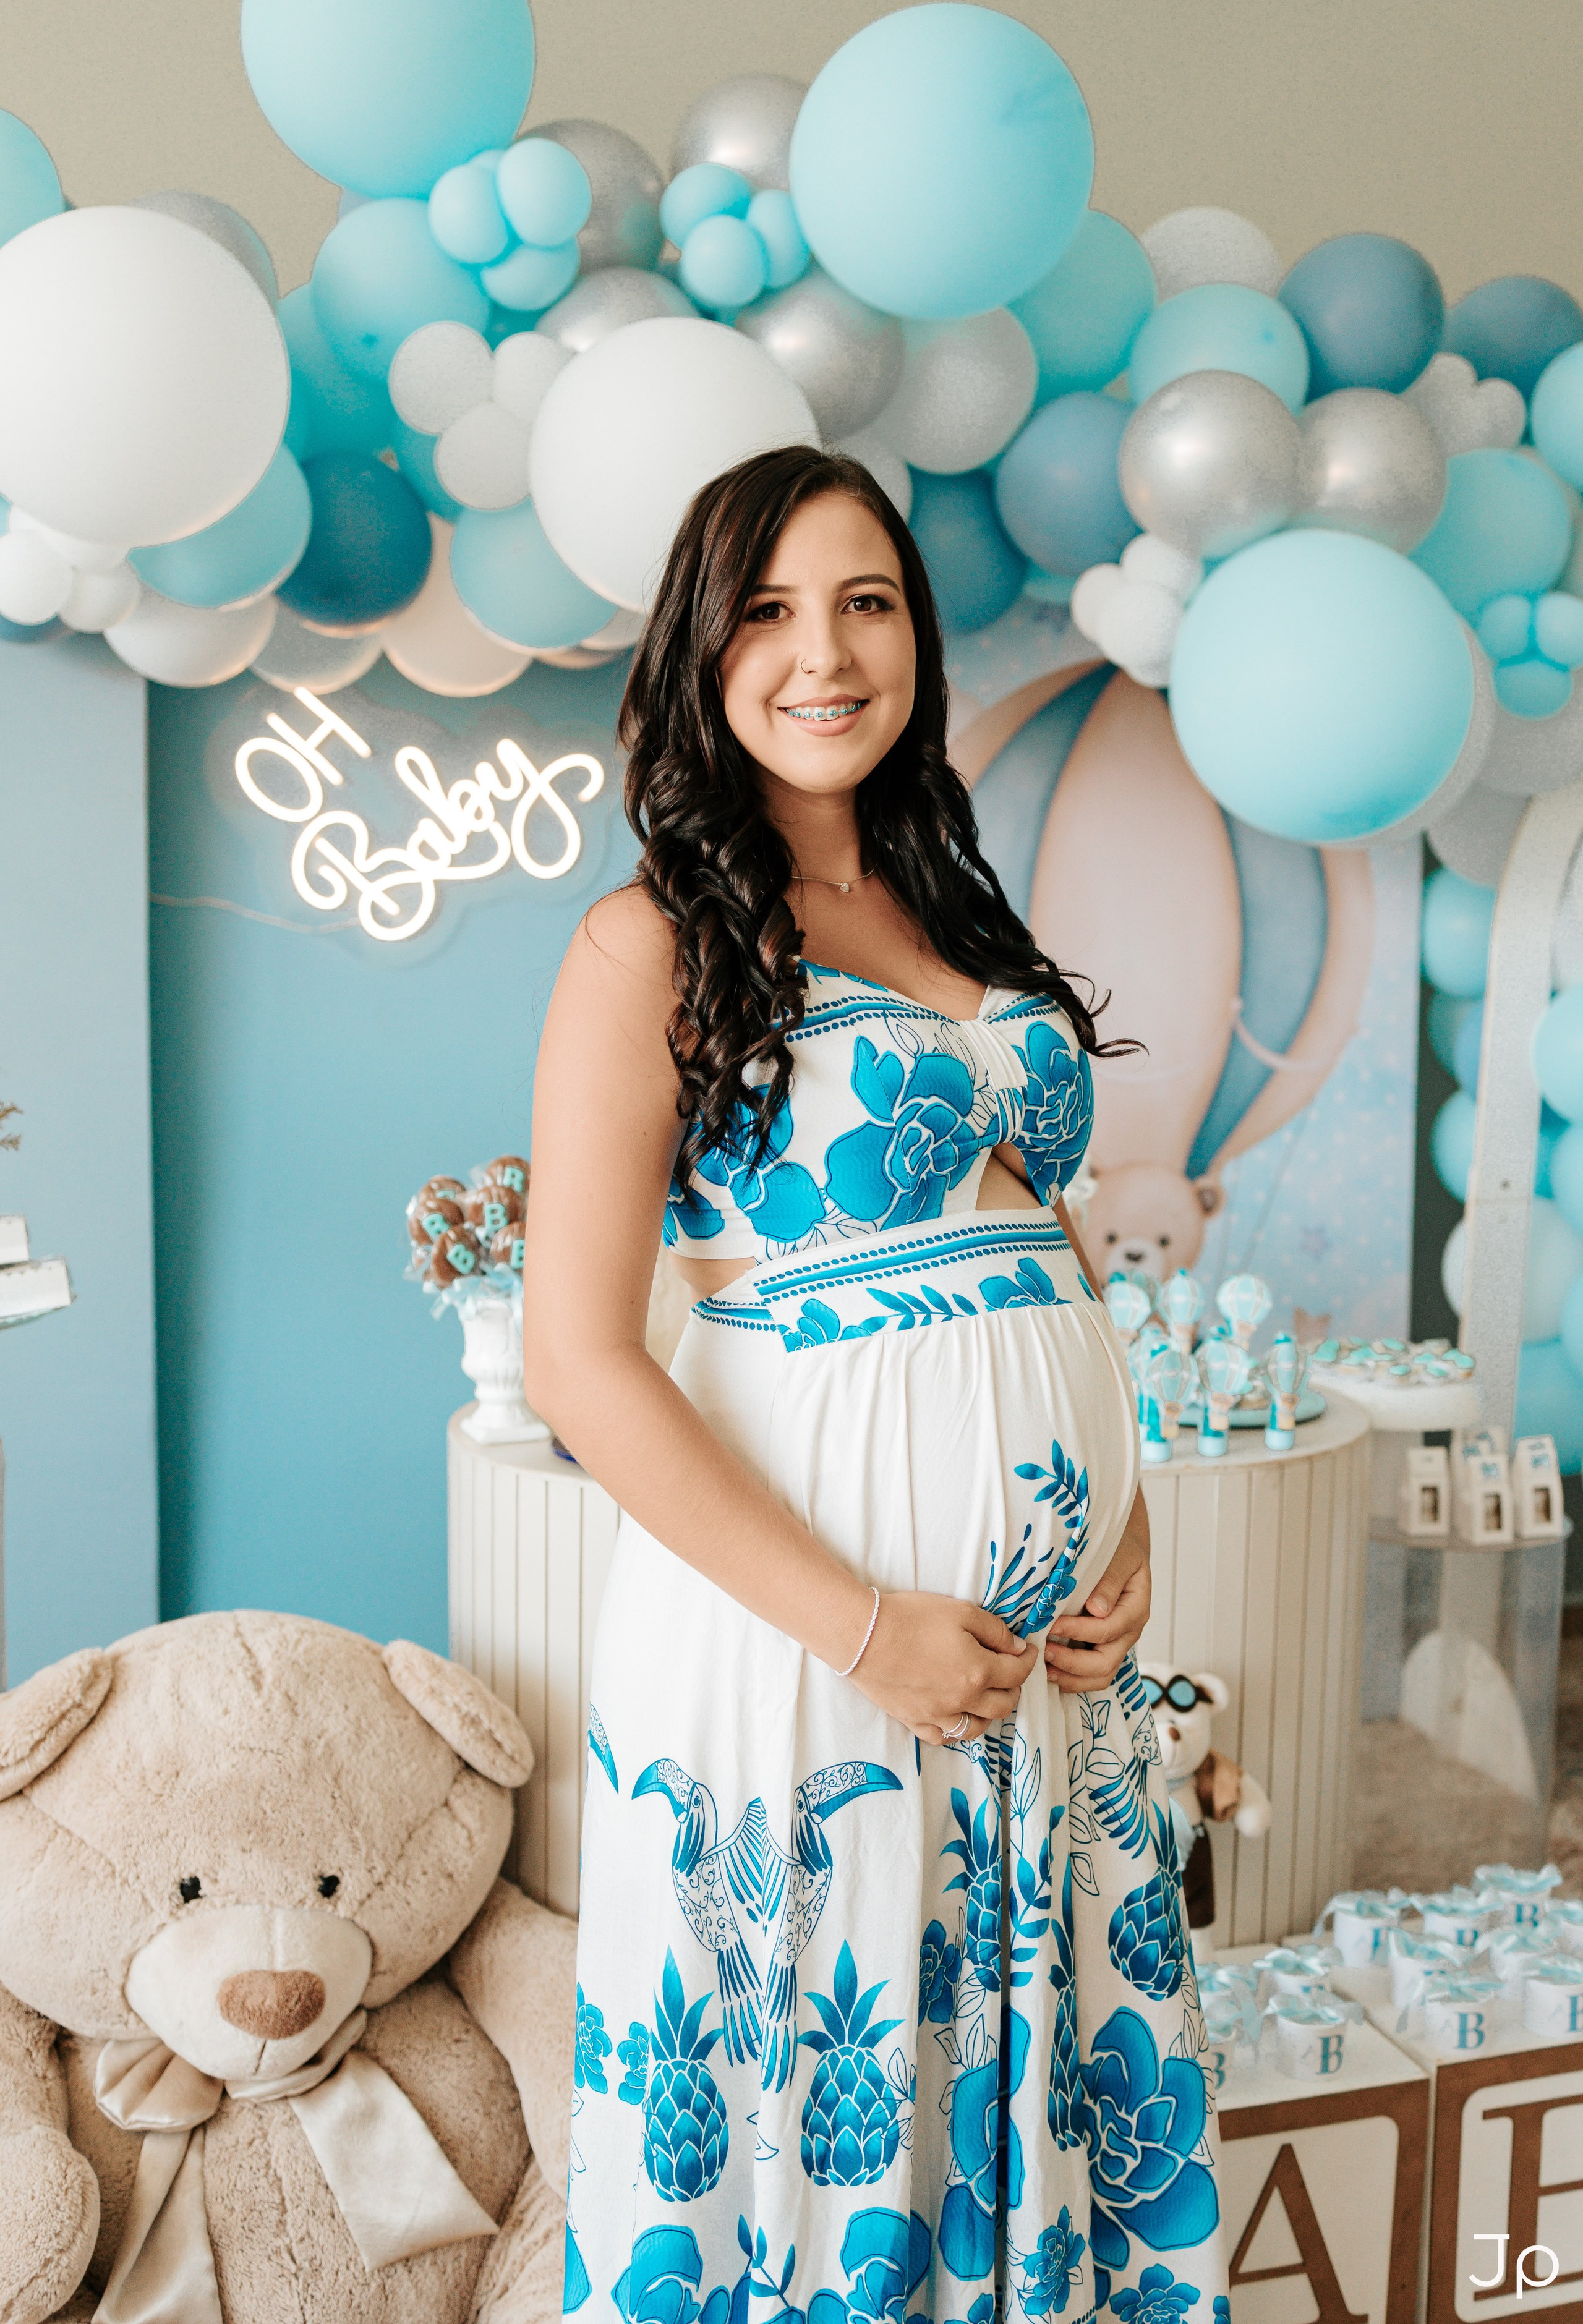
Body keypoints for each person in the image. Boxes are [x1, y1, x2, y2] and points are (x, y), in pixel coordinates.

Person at [524, 445, 1226, 2323]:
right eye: (767, 609)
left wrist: (1126, 1504)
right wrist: (864, 1625)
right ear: (701, 649)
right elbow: (579, 1362)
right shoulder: (649, 946)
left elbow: (1041, 1236)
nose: (824, 651)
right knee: (826, 2120)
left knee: (1039, 2090)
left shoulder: (962, 922)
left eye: (866, 601)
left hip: (1037, 1680)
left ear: (912, 632)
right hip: (808, 1666)